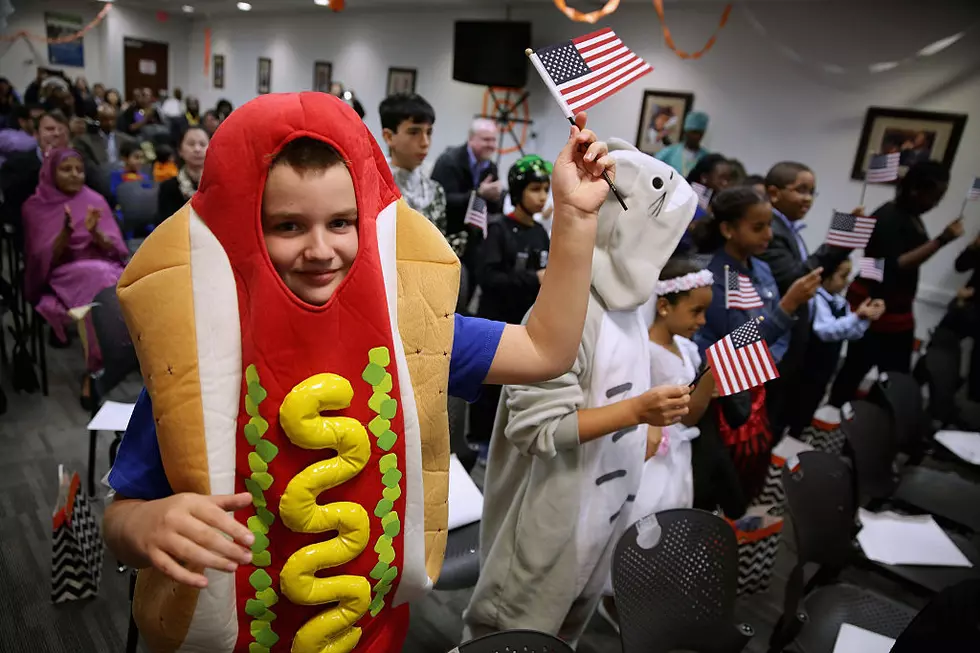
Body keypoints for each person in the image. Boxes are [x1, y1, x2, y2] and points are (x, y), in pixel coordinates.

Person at [102, 93, 614, 653]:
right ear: (244, 229)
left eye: (341, 222)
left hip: (370, 634)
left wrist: (576, 218)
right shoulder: (201, 356)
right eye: (289, 225)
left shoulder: (410, 330)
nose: (321, 249)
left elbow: (546, 350)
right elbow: (121, 519)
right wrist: (146, 525)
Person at [464, 140, 695, 642]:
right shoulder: (569, 314)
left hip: (601, 520)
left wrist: (642, 426)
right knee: (510, 637)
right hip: (547, 530)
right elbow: (538, 428)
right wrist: (636, 411)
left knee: (560, 636)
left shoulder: (631, 310)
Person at [597, 257, 718, 629]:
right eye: (695, 311)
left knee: (670, 518)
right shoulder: (645, 352)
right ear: (664, 306)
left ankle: (644, 588)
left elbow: (691, 414)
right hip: (651, 456)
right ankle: (614, 595)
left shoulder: (687, 348)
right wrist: (709, 379)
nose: (702, 321)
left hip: (678, 453)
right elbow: (670, 411)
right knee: (641, 522)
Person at [694, 187, 822, 500]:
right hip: (725, 391)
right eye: (757, 227)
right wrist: (788, 307)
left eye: (768, 226)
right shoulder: (725, 275)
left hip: (762, 378)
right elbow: (738, 343)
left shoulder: (758, 266)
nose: (768, 235)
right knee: (727, 472)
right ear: (727, 229)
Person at [829, 161, 962, 407]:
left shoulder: (911, 217)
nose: (936, 204)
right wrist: (941, 240)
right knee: (856, 371)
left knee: (892, 377)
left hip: (895, 308)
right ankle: (835, 421)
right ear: (915, 190)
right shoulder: (888, 216)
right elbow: (894, 266)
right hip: (876, 308)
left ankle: (871, 421)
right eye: (935, 196)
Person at [22, 148, 128, 400]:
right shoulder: (35, 206)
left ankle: (115, 358)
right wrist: (64, 235)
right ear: (50, 172)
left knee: (109, 283)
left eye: (79, 170)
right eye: (66, 169)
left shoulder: (95, 199)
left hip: (103, 266)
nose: (75, 175)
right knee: (103, 287)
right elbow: (40, 261)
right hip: (63, 272)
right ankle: (98, 369)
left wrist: (95, 234)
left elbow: (116, 250)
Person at [469, 155, 553, 455]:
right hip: (495, 325)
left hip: (526, 325)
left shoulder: (541, 232)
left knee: (515, 392)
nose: (542, 196)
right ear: (518, 192)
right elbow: (488, 278)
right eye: (535, 189)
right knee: (489, 392)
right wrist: (534, 278)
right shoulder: (498, 230)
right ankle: (479, 444)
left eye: (545, 189)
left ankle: (506, 446)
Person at [759, 161, 849, 436]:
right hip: (777, 339)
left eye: (812, 192)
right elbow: (794, 278)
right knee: (767, 418)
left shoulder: (790, 229)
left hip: (792, 342)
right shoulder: (772, 228)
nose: (808, 199)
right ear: (774, 193)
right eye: (801, 190)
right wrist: (839, 239)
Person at [786, 257, 885, 438]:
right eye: (842, 276)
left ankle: (796, 440)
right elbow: (825, 330)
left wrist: (865, 317)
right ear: (826, 277)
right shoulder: (817, 300)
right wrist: (856, 317)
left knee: (810, 408)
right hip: (808, 368)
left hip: (825, 369)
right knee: (796, 408)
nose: (846, 281)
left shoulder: (841, 303)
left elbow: (851, 334)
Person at [432, 118, 504, 295]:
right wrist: (477, 193)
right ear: (471, 139)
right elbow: (441, 201)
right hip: (446, 236)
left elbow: (493, 208)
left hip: (473, 239)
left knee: (468, 287)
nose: (491, 145)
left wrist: (495, 197)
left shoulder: (491, 167)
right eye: (486, 139)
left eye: (493, 140)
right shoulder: (449, 161)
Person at [379, 93, 448, 238]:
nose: (425, 142)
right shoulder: (374, 188)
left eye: (428, 133)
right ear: (389, 137)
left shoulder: (435, 191)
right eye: (414, 132)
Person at [0, 110, 70, 236]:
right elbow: (12, 202)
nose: (57, 134)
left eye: (61, 130)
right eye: (50, 129)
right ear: (36, 134)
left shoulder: (77, 162)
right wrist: (46, 166)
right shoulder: (16, 163)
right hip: (32, 229)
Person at [157, 126, 209, 222]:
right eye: (191, 144)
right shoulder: (168, 187)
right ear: (180, 150)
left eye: (202, 144)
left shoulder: (219, 185)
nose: (197, 149)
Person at [655, 110, 710, 177]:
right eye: (693, 132)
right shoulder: (668, 152)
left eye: (699, 133)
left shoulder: (706, 158)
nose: (696, 136)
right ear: (686, 132)